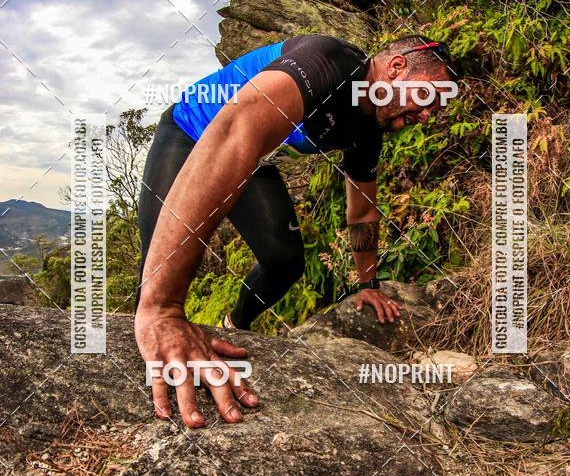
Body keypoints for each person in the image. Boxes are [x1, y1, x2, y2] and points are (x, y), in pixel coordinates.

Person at [135, 33, 454, 428]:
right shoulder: (329, 62)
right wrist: (164, 308)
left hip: (252, 153)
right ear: (397, 67)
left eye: (436, 108)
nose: (428, 115)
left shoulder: (367, 128)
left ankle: (231, 328)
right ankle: (158, 326)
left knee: (285, 261)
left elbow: (363, 211)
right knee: (153, 273)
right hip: (193, 131)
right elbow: (236, 127)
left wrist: (366, 283)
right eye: (428, 98)